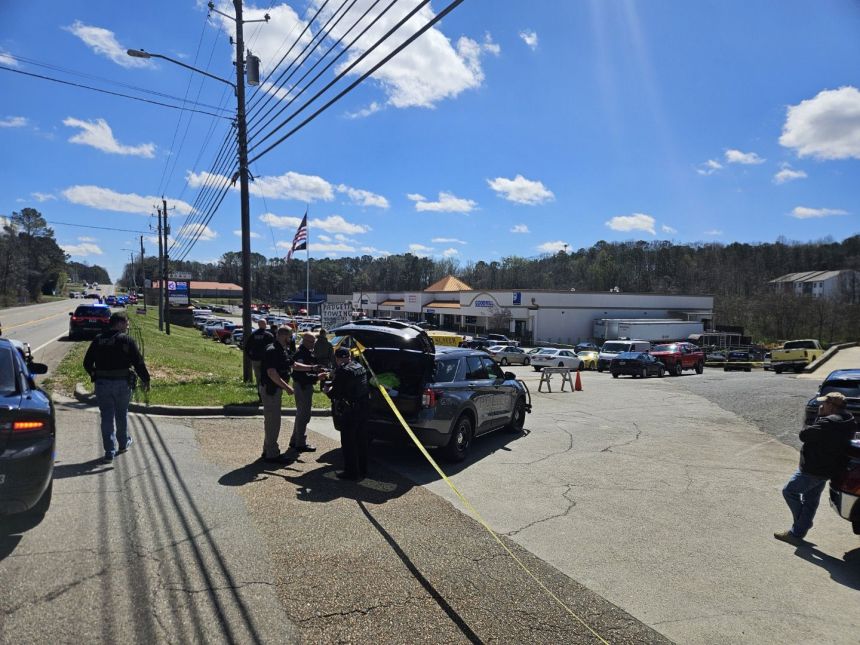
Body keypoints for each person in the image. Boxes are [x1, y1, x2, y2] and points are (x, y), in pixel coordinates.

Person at [775, 391, 857, 545]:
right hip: (827, 468)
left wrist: (818, 417)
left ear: (831, 406)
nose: (821, 406)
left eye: (824, 403)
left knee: (789, 491)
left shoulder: (827, 422)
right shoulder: (849, 419)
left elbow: (804, 435)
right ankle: (796, 534)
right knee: (810, 501)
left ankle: (802, 524)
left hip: (813, 469)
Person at [83, 312, 150, 463]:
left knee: (106, 416)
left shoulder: (98, 340)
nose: (128, 326)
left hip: (102, 384)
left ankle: (109, 451)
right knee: (121, 413)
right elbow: (138, 362)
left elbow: (87, 363)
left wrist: (95, 375)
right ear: (119, 324)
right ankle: (123, 444)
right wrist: (146, 379)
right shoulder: (127, 340)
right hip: (122, 384)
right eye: (126, 323)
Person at [323, 347, 371, 480]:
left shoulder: (343, 371)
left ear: (337, 358)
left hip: (350, 411)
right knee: (361, 440)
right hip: (363, 407)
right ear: (349, 356)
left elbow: (335, 393)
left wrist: (326, 390)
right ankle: (363, 469)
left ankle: (351, 472)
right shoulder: (359, 366)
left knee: (349, 442)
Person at [259, 327, 296, 463]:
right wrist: (287, 387)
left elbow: (292, 364)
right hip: (271, 390)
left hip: (274, 390)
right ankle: (272, 454)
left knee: (271, 422)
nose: (291, 339)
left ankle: (267, 450)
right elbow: (271, 373)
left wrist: (312, 368)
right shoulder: (272, 350)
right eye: (290, 336)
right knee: (273, 423)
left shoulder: (281, 349)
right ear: (284, 336)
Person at [289, 332, 321, 452]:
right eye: (311, 342)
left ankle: (295, 440)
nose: (313, 344)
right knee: (304, 415)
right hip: (302, 386)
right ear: (305, 341)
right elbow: (301, 374)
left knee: (301, 414)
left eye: (314, 342)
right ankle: (300, 443)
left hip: (305, 385)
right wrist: (317, 377)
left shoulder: (308, 352)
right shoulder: (301, 354)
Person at [244, 318, 275, 387]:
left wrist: (251, 357)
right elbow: (273, 348)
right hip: (266, 360)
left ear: (258, 325)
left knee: (258, 376)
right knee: (266, 376)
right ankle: (266, 389)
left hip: (255, 359)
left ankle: (259, 389)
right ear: (265, 324)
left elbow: (247, 347)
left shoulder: (253, 335)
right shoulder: (269, 335)